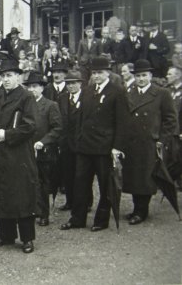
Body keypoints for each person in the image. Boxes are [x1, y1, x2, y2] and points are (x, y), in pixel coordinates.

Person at [60, 57, 128, 232]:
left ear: (108, 73)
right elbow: (81, 119)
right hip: (84, 146)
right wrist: (78, 140)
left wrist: (116, 147)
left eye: (100, 72)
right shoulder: (88, 91)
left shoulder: (117, 92)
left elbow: (122, 122)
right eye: (94, 73)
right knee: (80, 183)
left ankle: (101, 220)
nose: (97, 76)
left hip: (104, 148)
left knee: (105, 184)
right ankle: (77, 218)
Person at [0, 59, 39, 254]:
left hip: (20, 155)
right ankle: (5, 235)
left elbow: (31, 125)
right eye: (3, 76)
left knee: (22, 195)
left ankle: (27, 239)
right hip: (1, 154)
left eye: (9, 76)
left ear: (18, 76)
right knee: (3, 193)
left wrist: (7, 135)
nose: (6, 80)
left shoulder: (26, 97)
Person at [122, 59, 178, 225]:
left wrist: (162, 140)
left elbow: (170, 120)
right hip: (132, 143)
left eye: (144, 75)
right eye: (138, 75)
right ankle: (136, 207)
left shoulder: (161, 93)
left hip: (150, 142)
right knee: (133, 177)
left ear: (150, 75)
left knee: (145, 178)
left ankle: (141, 210)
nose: (141, 79)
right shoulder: (128, 93)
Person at [23, 72, 62, 226]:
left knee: (44, 183)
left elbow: (57, 128)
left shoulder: (51, 105)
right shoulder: (25, 105)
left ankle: (44, 214)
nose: (32, 90)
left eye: (35, 87)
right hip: (27, 150)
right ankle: (33, 210)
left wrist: (43, 142)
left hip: (44, 151)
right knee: (29, 182)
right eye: (30, 87)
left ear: (41, 88)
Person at [58, 71, 85, 211]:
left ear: (80, 83)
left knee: (82, 174)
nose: (71, 86)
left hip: (81, 143)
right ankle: (69, 201)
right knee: (67, 173)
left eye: (74, 83)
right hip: (66, 143)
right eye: (68, 83)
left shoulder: (86, 98)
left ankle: (85, 203)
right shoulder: (62, 98)